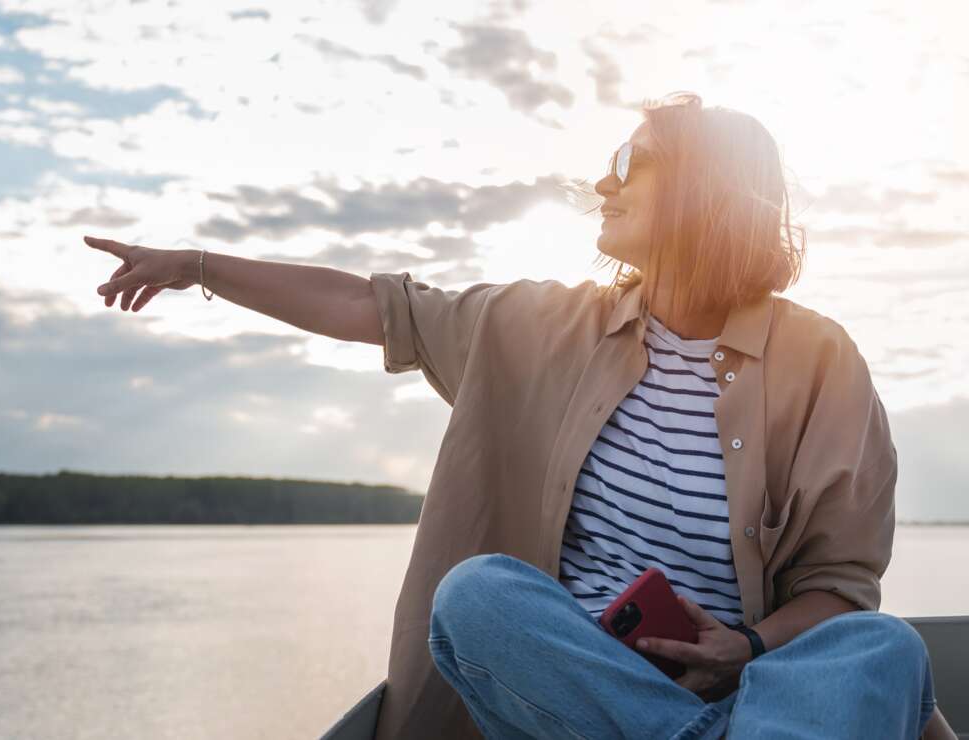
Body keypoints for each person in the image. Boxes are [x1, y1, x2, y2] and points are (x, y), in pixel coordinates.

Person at [83, 91, 955, 739]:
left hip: (744, 694)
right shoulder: (537, 324)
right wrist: (198, 264)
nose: (601, 181)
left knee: (883, 650)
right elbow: (374, 307)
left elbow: (839, 589)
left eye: (631, 160)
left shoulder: (823, 363)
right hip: (572, 691)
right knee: (476, 595)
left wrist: (748, 649)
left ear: (702, 188)